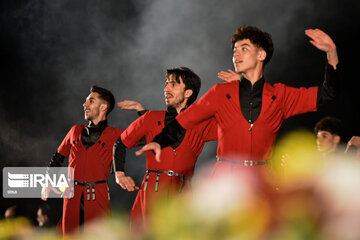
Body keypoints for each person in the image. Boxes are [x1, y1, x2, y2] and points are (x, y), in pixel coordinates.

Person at [136, 26, 340, 179]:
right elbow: (183, 121)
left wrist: (331, 53)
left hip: (261, 181)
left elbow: (327, 94)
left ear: (261, 55)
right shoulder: (220, 93)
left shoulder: (281, 95)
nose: (236, 53)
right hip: (225, 180)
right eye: (234, 49)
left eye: (244, 48)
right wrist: (159, 141)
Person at [113, 67, 217, 232]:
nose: (166, 88)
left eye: (173, 84)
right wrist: (119, 175)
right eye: (166, 84)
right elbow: (120, 143)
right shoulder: (150, 118)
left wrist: (239, 87)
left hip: (183, 195)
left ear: (188, 93)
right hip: (152, 191)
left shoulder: (201, 123)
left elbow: (236, 125)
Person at [41, 86, 123, 235]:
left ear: (103, 106)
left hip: (98, 195)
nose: (85, 105)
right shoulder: (75, 131)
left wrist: (142, 112)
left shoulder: (115, 134)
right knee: (69, 234)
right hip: (71, 195)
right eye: (86, 101)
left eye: (91, 101)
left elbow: (142, 137)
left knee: (98, 235)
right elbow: (57, 159)